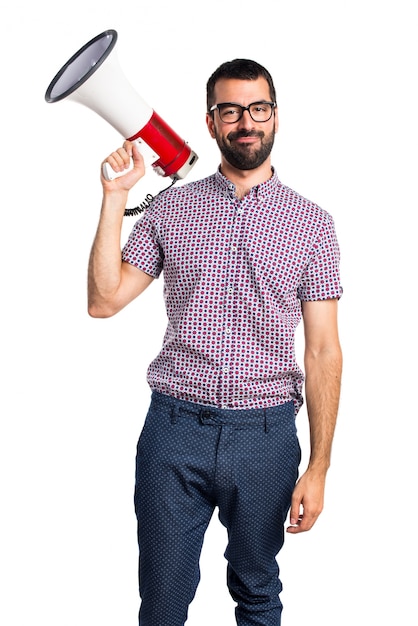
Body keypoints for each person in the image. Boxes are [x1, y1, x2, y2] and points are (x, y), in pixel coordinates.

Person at [88, 58, 343, 626]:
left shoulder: (313, 224)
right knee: (161, 603)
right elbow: (104, 300)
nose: (245, 122)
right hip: (173, 432)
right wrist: (114, 197)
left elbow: (324, 350)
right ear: (211, 123)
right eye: (230, 111)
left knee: (257, 594)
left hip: (267, 437)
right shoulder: (170, 208)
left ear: (275, 117)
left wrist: (320, 466)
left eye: (257, 109)